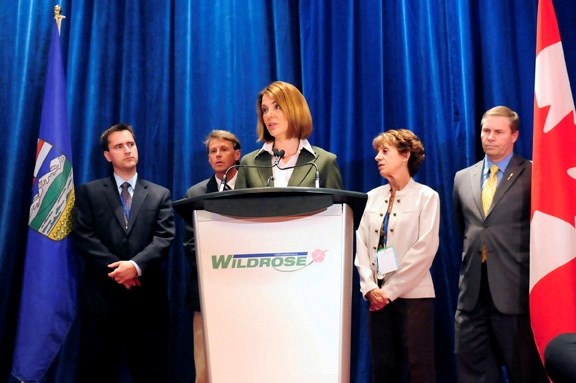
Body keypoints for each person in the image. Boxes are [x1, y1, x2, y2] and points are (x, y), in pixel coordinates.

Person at [74, 123, 175, 383]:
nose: (127, 150)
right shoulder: (89, 192)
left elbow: (164, 237)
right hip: (102, 300)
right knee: (97, 372)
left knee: (151, 372)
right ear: (108, 155)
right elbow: (84, 236)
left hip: (147, 300)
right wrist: (119, 270)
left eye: (130, 144)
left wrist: (136, 266)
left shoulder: (159, 194)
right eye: (119, 146)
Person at [452, 106, 547, 382]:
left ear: (515, 135)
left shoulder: (533, 174)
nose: (490, 137)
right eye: (485, 131)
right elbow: (465, 230)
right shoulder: (462, 178)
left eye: (498, 132)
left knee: (525, 373)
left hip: (514, 296)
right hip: (471, 297)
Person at [355, 129, 440, 382]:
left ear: (405, 155)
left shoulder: (426, 197)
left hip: (413, 296)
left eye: (385, 152)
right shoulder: (371, 197)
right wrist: (369, 287)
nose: (377, 158)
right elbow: (360, 243)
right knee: (383, 366)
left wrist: (390, 292)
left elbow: (425, 249)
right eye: (377, 152)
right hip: (376, 297)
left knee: (419, 366)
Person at [182, 130, 241, 383]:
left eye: (223, 150)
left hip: (249, 288)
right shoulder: (196, 193)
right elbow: (190, 242)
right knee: (204, 368)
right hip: (206, 290)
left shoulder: (254, 188)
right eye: (213, 151)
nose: (218, 155)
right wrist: (221, 266)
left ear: (237, 154)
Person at [235, 80, 343, 189]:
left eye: (277, 107)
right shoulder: (248, 163)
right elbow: (237, 205)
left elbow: (337, 206)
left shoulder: (324, 162)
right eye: (265, 110)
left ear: (295, 109)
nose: (268, 115)